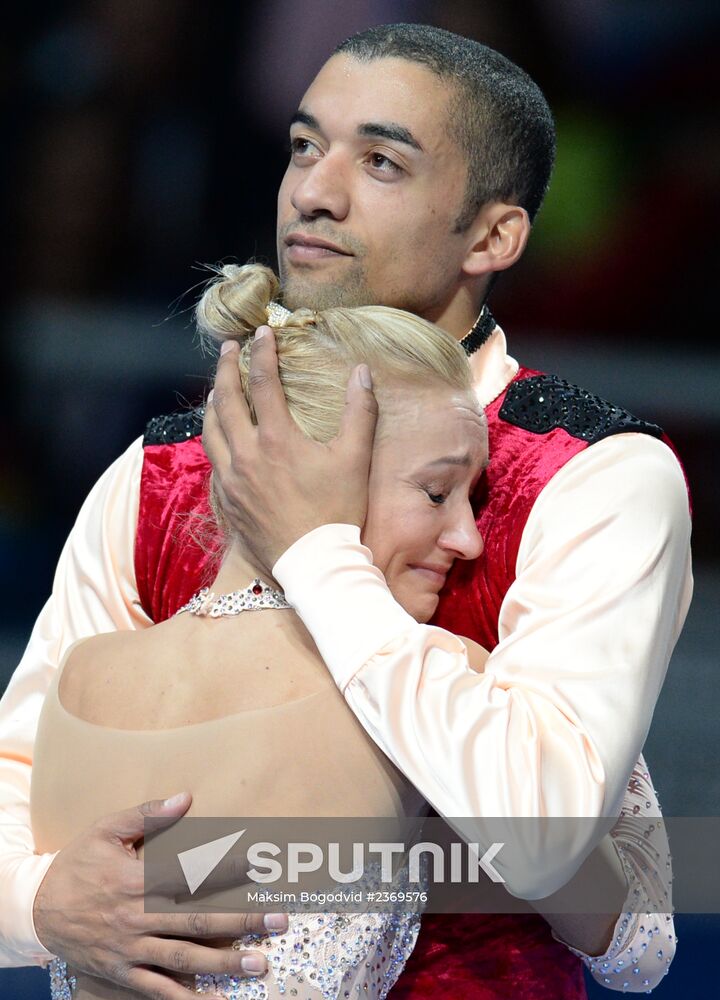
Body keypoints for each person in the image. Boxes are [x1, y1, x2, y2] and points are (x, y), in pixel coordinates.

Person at [0, 21, 690, 1000]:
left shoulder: (593, 476)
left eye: (381, 160)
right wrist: (42, 906)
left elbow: (566, 860)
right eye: (302, 147)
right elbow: (15, 784)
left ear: (493, 234)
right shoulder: (159, 471)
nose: (315, 191)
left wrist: (319, 551)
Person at [29, 265, 669, 1000]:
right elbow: (640, 946)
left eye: (474, 496)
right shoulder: (430, 674)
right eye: (436, 492)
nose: (466, 536)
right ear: (308, 469)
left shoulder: (82, 675)